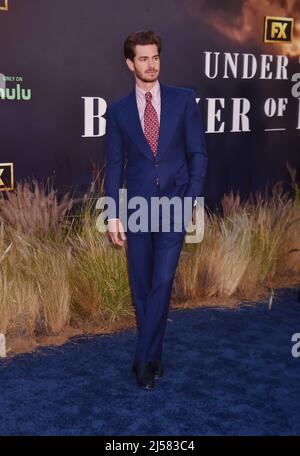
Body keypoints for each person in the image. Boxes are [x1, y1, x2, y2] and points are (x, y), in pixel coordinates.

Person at [104, 30, 208, 389]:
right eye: (143, 59)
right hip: (136, 208)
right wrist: (113, 214)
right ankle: (154, 355)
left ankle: (141, 358)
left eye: (156, 57)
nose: (151, 65)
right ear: (130, 63)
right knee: (142, 285)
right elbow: (115, 166)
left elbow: (198, 153)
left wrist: (190, 197)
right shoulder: (117, 111)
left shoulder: (183, 100)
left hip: (175, 203)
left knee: (163, 281)